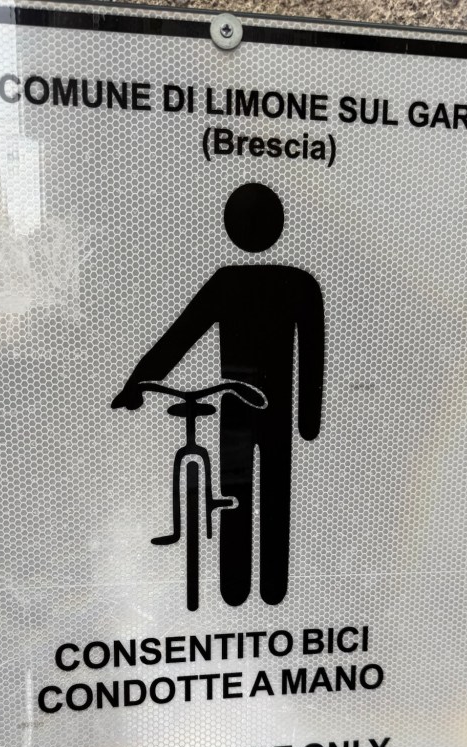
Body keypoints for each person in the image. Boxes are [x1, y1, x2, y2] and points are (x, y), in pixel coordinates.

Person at [112, 183, 325, 606]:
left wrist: (137, 383)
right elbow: (312, 353)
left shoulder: (234, 282)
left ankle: (239, 589)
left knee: (239, 493)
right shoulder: (297, 283)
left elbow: (179, 338)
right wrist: (308, 421)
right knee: (259, 492)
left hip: (240, 409)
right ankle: (262, 589)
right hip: (266, 408)